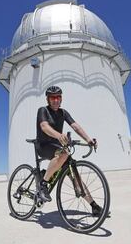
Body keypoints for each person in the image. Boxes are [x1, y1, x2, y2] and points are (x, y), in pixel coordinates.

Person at [36, 85, 102, 216]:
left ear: (61, 99)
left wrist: (88, 139)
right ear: (48, 99)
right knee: (64, 153)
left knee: (74, 175)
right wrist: (59, 135)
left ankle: (93, 205)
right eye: (52, 98)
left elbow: (75, 126)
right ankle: (43, 184)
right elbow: (44, 126)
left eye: (58, 97)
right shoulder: (42, 110)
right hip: (43, 146)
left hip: (58, 147)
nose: (55, 100)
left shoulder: (63, 112)